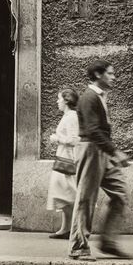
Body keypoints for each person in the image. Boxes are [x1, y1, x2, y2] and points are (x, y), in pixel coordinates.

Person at [68, 60, 130, 261]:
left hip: (102, 151)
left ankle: (107, 243)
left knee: (120, 194)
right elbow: (93, 130)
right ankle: (78, 247)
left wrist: (110, 152)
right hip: (91, 150)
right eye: (110, 74)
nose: (114, 77)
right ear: (97, 75)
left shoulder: (100, 96)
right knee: (86, 199)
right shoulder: (88, 98)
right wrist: (115, 152)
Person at [47, 88, 81, 239]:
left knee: (68, 194)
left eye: (59, 99)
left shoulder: (71, 117)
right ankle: (65, 228)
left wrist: (57, 139)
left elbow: (74, 140)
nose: (57, 101)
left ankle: (75, 229)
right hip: (63, 158)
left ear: (66, 100)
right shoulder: (67, 116)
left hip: (68, 161)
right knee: (62, 195)